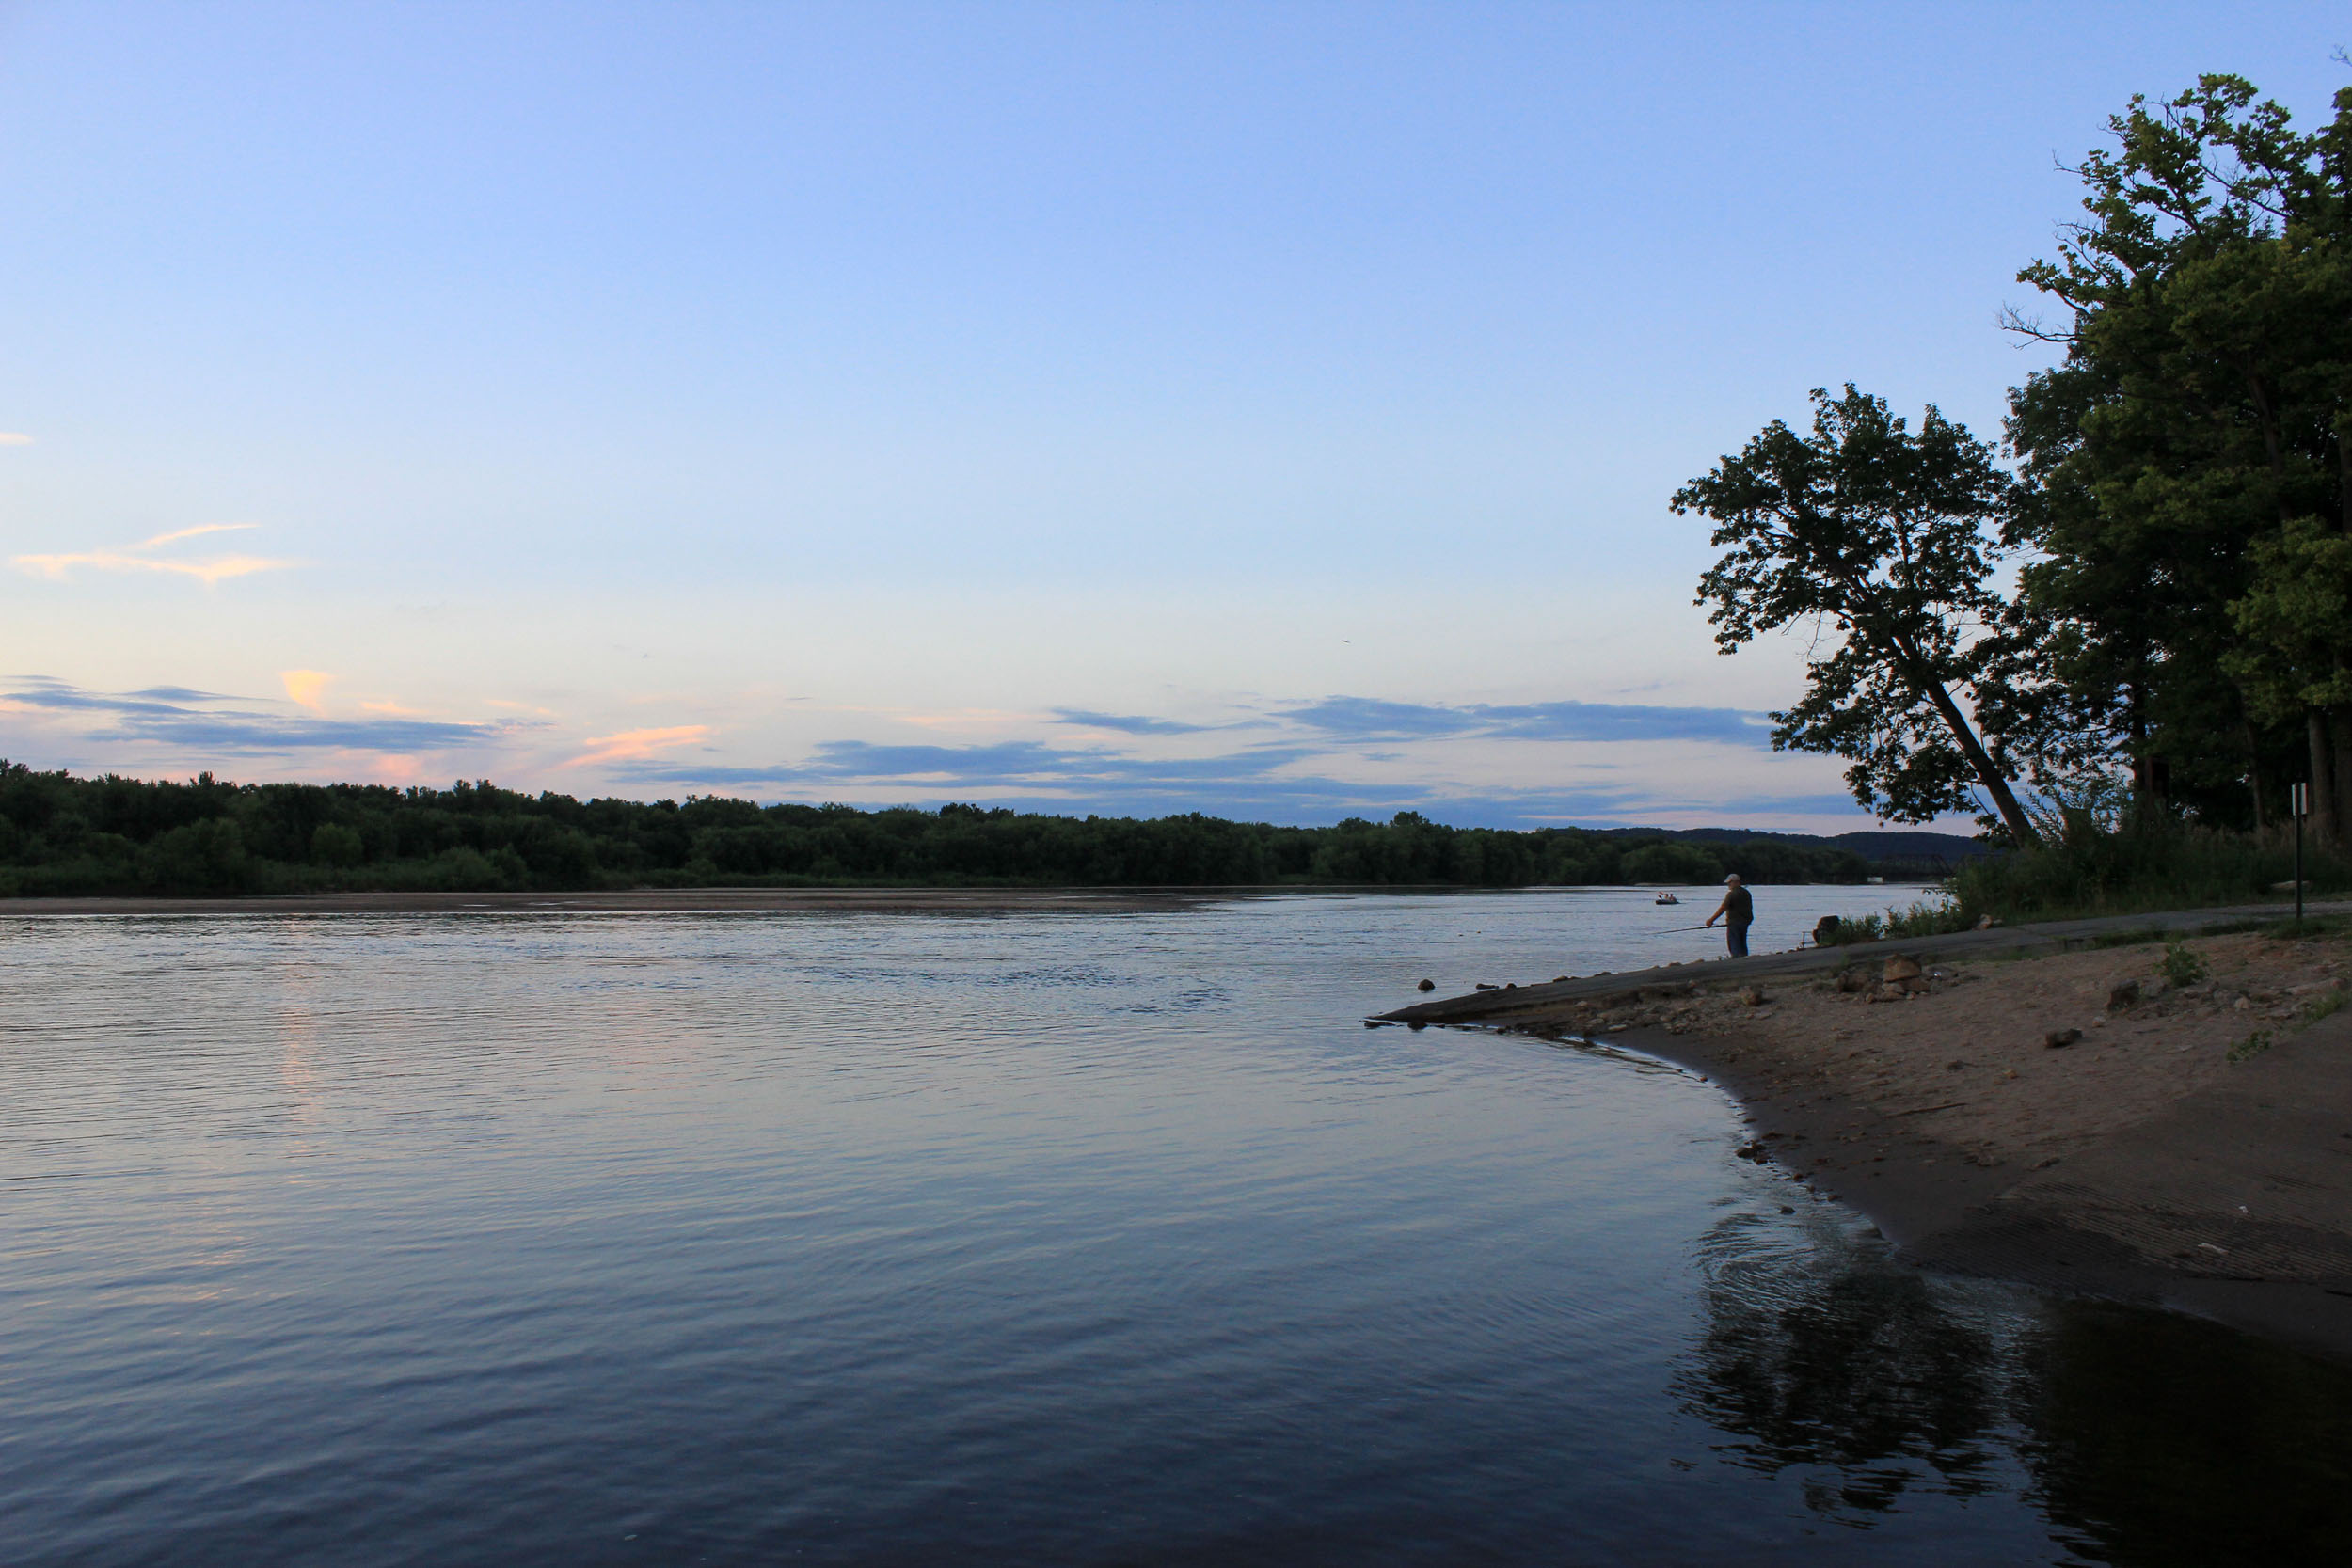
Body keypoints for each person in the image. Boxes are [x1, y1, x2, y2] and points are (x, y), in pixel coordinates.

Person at [1703, 873, 1753, 958]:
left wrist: (1711, 920)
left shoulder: (1731, 894)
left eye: (1729, 883)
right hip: (1746, 921)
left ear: (1736, 882)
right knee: (1742, 941)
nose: (1728, 885)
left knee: (1734, 942)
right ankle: (1744, 957)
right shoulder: (1746, 893)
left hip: (1734, 922)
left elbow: (1723, 908)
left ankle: (1736, 958)